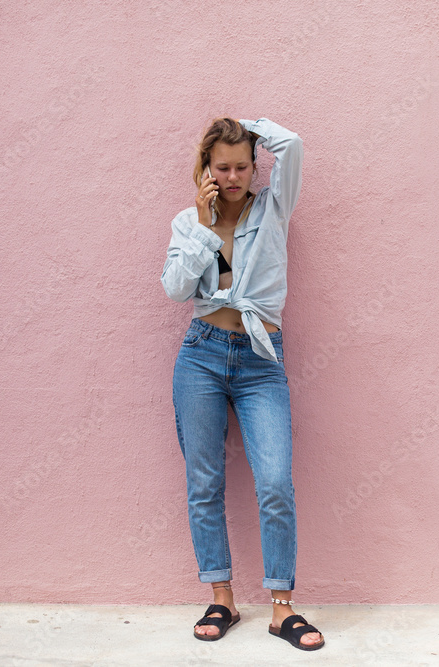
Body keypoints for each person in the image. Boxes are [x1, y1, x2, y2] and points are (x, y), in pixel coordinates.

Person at [160, 116, 324, 651]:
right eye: (222, 167)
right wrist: (207, 227)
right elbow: (177, 289)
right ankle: (221, 597)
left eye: (241, 166)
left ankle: (282, 608)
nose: (232, 176)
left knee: (275, 480)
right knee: (203, 483)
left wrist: (246, 125)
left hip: (260, 359)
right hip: (202, 356)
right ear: (206, 170)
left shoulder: (274, 207)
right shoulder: (189, 222)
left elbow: (293, 144)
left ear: (255, 166)